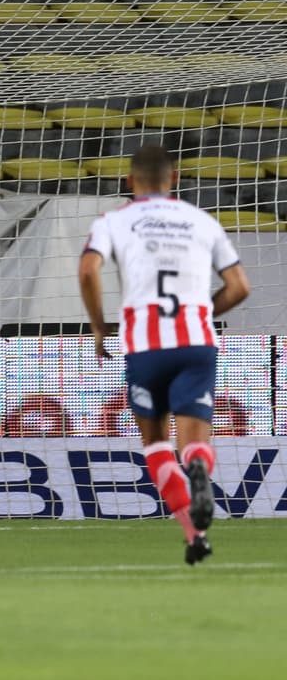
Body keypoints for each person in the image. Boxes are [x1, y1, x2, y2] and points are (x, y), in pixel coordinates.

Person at [79, 144, 251, 565]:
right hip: (196, 343)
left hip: (146, 346)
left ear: (129, 181)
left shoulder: (114, 220)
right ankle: (198, 468)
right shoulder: (201, 220)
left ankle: (194, 535)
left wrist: (99, 326)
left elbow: (87, 270)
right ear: (173, 179)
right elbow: (240, 287)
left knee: (156, 444)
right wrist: (203, 310)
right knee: (193, 444)